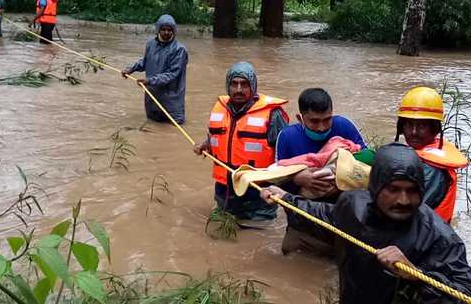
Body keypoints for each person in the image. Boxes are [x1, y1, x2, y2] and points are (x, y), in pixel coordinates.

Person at [260, 143, 471, 304]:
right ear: (376, 187)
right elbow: (323, 217)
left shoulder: (440, 238)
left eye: (412, 191)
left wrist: (415, 275)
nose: (403, 200)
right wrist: (286, 199)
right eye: (393, 189)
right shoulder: (352, 205)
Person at [275, 88, 367, 254]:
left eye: (327, 119)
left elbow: (368, 163)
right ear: (300, 118)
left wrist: (341, 181)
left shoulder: (344, 126)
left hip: (342, 212)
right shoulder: (287, 137)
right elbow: (274, 179)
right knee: (291, 254)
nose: (322, 127)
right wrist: (297, 179)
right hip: (304, 214)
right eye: (314, 121)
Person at [193, 62, 289, 220]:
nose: (238, 90)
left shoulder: (273, 114)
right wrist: (206, 145)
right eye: (234, 84)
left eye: (244, 84)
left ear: (253, 86)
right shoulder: (219, 109)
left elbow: (286, 158)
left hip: (257, 195)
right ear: (227, 86)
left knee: (257, 238)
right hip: (224, 192)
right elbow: (217, 139)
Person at [395, 86, 468, 224]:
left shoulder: (432, 171)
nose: (414, 132)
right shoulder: (420, 156)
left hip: (425, 239)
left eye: (421, 126)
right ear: (401, 127)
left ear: (434, 129)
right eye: (409, 125)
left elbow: (406, 214)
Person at [122, 14, 188, 124]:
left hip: (171, 100)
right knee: (152, 127)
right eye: (163, 29)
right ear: (158, 29)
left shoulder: (179, 50)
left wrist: (149, 81)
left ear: (174, 31)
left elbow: (172, 74)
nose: (166, 32)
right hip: (152, 97)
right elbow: (145, 61)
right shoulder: (150, 44)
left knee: (173, 129)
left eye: (169, 30)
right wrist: (130, 69)